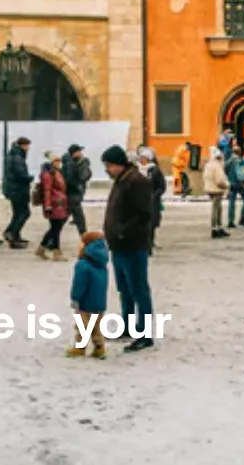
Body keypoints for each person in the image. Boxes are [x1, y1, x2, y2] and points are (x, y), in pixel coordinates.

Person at [100, 146, 157, 352]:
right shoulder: (122, 180)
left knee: (138, 290)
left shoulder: (137, 181)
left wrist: (123, 232)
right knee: (124, 289)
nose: (107, 169)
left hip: (133, 245)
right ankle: (127, 325)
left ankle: (145, 334)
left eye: (109, 165)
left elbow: (143, 214)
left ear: (119, 164)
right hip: (119, 246)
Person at [67, 231, 110, 359]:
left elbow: (79, 284)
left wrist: (75, 298)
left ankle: (80, 348)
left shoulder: (83, 265)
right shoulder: (102, 263)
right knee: (97, 327)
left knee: (82, 326)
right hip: (99, 302)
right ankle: (99, 348)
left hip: (85, 303)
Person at [36, 154, 72, 259]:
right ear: (51, 162)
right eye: (56, 161)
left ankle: (55, 251)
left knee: (56, 227)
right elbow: (47, 190)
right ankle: (44, 248)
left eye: (59, 161)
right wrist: (48, 205)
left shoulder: (56, 172)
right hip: (54, 204)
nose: (58, 163)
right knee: (56, 227)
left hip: (59, 203)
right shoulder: (49, 174)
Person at [2, 136, 34, 249]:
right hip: (18, 190)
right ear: (22, 146)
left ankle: (14, 234)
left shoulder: (12, 155)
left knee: (17, 213)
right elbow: (20, 174)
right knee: (24, 213)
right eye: (27, 146)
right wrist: (30, 178)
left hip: (13, 189)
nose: (28, 148)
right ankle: (12, 234)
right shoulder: (17, 157)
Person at [137, 147, 167, 248]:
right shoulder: (136, 170)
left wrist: (155, 195)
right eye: (141, 157)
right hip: (138, 200)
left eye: (144, 158)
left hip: (152, 201)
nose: (142, 160)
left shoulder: (155, 170)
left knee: (151, 222)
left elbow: (162, 186)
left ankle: (150, 242)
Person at [64, 144, 91, 237]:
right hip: (73, 194)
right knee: (78, 217)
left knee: (69, 217)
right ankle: (85, 237)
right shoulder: (71, 164)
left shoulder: (76, 162)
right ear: (74, 153)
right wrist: (77, 186)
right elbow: (76, 178)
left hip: (73, 194)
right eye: (79, 151)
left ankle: (50, 238)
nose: (81, 153)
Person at [202, 148, 230, 239]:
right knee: (216, 209)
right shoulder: (217, 166)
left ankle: (219, 228)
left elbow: (205, 176)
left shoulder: (208, 165)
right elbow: (220, 181)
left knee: (218, 208)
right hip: (216, 190)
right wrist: (227, 185)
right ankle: (215, 229)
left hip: (210, 189)